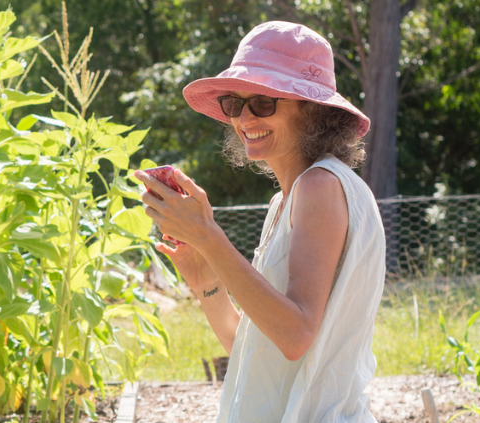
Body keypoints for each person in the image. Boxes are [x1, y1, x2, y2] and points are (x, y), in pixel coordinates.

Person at [134, 21, 386, 423]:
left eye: (264, 102)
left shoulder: (320, 185)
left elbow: (295, 335)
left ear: (312, 109)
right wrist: (205, 278)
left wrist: (209, 236)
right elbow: (253, 352)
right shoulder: (286, 201)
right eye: (235, 103)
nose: (245, 117)